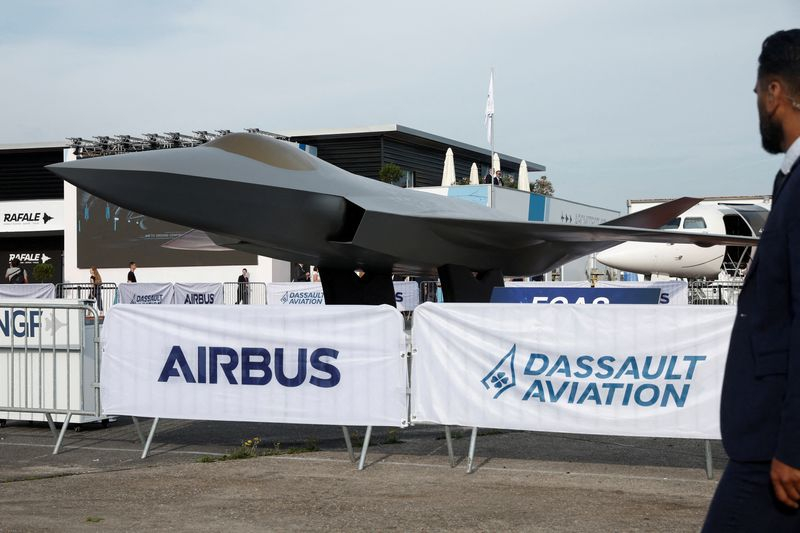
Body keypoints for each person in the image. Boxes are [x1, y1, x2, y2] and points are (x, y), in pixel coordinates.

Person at [703, 29, 800, 531]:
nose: (758, 102)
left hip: (773, 449)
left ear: (775, 92)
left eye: (759, 91)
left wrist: (793, 446)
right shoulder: (789, 179)